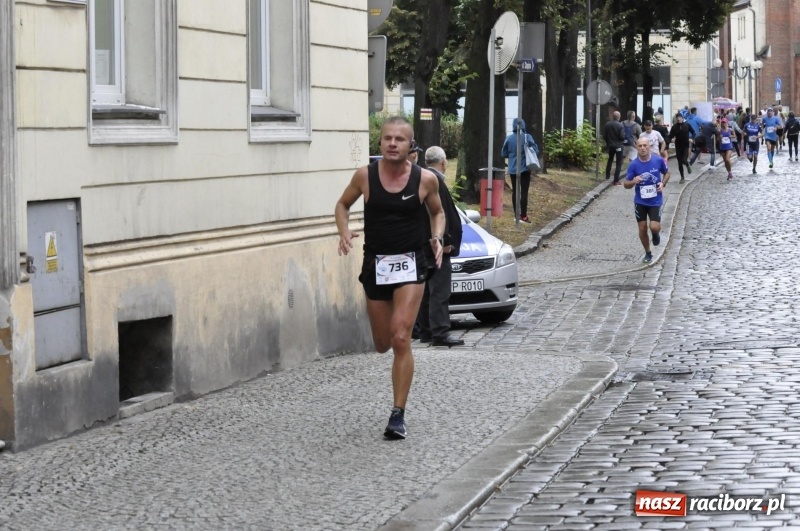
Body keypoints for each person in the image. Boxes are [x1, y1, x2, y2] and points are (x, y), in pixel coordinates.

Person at [335, 116, 445, 440]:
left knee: (400, 337)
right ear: (380, 143)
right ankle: (396, 398)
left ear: (411, 145)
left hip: (412, 263)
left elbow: (437, 212)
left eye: (400, 139)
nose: (393, 143)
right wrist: (344, 231)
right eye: (387, 139)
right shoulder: (365, 177)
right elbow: (342, 205)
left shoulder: (426, 180)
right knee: (382, 343)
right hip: (376, 264)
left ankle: (397, 414)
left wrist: (436, 237)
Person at [413, 146, 464, 348]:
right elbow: (440, 215)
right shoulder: (436, 182)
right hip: (437, 246)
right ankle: (440, 333)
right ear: (443, 162)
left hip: (425, 244)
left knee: (426, 292)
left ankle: (426, 331)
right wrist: (446, 242)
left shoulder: (423, 179)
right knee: (440, 292)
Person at [624, 137, 670, 264]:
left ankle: (655, 234)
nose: (643, 148)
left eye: (645, 145)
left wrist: (663, 183)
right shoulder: (633, 164)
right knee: (643, 228)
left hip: (655, 200)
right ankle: (648, 252)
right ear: (637, 148)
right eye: (640, 146)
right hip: (640, 201)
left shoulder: (657, 160)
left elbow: (667, 173)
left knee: (654, 227)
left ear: (649, 146)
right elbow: (626, 184)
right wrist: (634, 181)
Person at [501, 118, 539, 223]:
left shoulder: (508, 139)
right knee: (524, 192)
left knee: (515, 191)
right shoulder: (527, 137)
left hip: (513, 169)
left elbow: (503, 154)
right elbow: (536, 150)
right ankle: (524, 216)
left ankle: (516, 215)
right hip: (525, 169)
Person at [668, 112, 695, 182]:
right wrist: (671, 139)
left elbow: (693, 132)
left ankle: (687, 164)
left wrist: (691, 138)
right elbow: (670, 136)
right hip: (678, 146)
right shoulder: (674, 127)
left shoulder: (687, 125)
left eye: (680, 117)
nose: (678, 119)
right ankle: (682, 177)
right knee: (679, 162)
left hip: (685, 145)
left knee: (684, 160)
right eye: (677, 118)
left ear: (682, 118)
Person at [603, 111, 625, 185]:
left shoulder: (608, 124)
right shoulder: (620, 126)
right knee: (618, 162)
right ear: (619, 117)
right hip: (619, 146)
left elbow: (604, 135)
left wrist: (608, 142)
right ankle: (616, 180)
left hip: (611, 145)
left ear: (613, 116)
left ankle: (607, 175)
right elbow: (622, 136)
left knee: (610, 159)